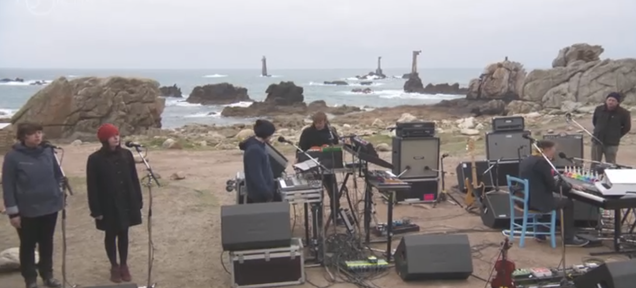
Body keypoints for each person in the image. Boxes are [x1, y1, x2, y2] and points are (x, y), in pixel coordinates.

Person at [2, 123, 64, 288]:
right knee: (28, 245)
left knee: (47, 242)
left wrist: (58, 191)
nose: (38, 136)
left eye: (39, 133)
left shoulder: (48, 152)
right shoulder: (13, 157)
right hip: (27, 210)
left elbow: (58, 174)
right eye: (32, 133)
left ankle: (47, 275)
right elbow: (7, 186)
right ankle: (30, 279)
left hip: (50, 207)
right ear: (23, 137)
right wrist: (13, 213)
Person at [86, 123, 143, 283]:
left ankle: (124, 264)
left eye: (117, 134)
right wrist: (95, 209)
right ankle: (114, 266)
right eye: (112, 136)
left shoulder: (126, 155)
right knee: (110, 234)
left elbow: (133, 178)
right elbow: (92, 186)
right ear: (105, 139)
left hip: (125, 200)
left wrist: (138, 199)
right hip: (107, 203)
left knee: (124, 232)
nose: (116, 138)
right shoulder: (95, 159)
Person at [517, 140, 589, 246]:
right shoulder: (542, 162)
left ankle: (540, 233)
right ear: (547, 149)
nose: (554, 152)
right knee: (567, 203)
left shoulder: (527, 159)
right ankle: (568, 239)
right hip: (537, 202)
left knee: (551, 198)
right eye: (553, 149)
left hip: (525, 198)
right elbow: (552, 186)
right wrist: (571, 186)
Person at [298, 112, 340, 213]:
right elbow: (301, 148)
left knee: (334, 193)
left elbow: (336, 145)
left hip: (328, 166)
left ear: (325, 121)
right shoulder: (307, 132)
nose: (318, 125)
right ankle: (318, 218)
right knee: (316, 194)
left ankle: (335, 214)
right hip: (312, 168)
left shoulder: (331, 131)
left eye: (320, 122)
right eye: (316, 123)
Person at [239, 119, 277, 203]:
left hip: (264, 191)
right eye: (271, 135)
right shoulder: (254, 150)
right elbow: (256, 176)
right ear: (266, 135)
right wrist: (267, 193)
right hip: (259, 195)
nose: (271, 137)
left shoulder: (260, 145)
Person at [591, 92, 631, 164]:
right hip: (597, 140)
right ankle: (594, 174)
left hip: (612, 143)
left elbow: (627, 127)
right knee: (594, 162)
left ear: (617, 102)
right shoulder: (599, 109)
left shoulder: (624, 113)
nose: (610, 102)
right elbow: (594, 122)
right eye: (609, 100)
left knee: (610, 163)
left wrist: (617, 135)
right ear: (606, 100)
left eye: (613, 100)